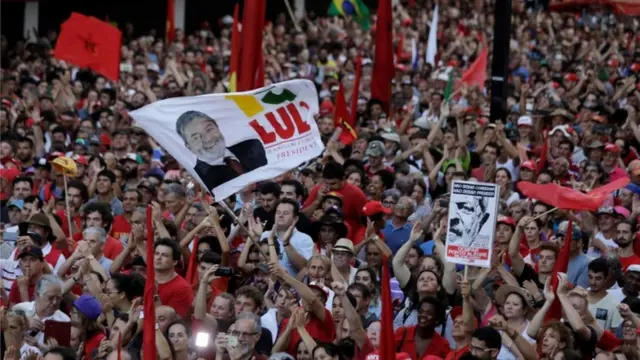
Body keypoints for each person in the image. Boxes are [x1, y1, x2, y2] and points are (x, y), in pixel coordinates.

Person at [175, 110, 267, 190]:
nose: (207, 139)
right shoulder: (201, 178)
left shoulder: (252, 146)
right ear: (189, 147)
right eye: (196, 138)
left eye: (209, 130)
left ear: (217, 126)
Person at [153, 238, 194, 318]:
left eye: (164, 255)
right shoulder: (145, 278)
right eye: (157, 253)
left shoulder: (182, 288)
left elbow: (173, 321)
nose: (158, 257)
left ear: (175, 262)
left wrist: (155, 296)